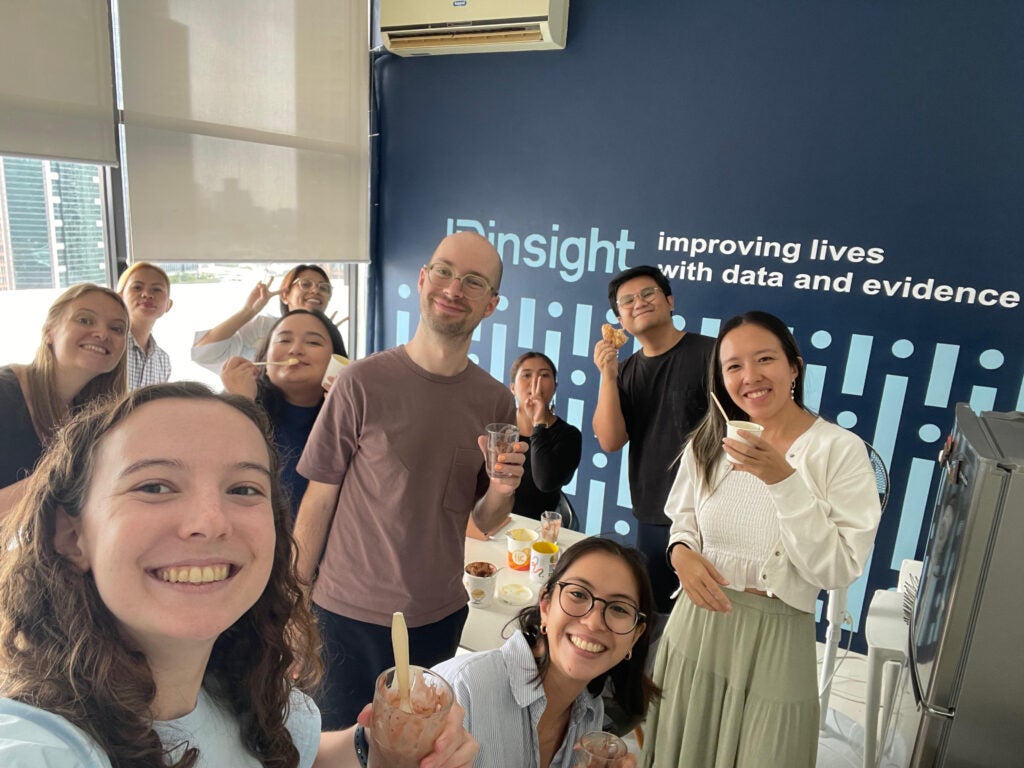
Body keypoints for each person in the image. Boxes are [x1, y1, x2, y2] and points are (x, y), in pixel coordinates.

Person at [0, 382, 478, 768]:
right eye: (155, 485)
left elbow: (297, 756)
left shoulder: (240, 686)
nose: (210, 521)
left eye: (244, 488)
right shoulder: (41, 746)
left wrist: (375, 747)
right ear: (71, 536)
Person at [294, 231, 526, 730]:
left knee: (416, 748)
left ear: (490, 304)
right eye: (443, 271)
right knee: (336, 750)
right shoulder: (362, 383)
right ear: (422, 280)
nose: (453, 287)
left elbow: (482, 519)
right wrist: (291, 603)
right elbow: (318, 499)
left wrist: (503, 490)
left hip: (438, 615)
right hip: (344, 614)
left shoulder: (494, 402)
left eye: (473, 281)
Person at [640, 311, 882, 768]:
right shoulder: (710, 440)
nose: (749, 376)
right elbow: (683, 519)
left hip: (776, 632)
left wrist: (784, 480)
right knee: (679, 750)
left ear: (795, 367)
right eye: (733, 366)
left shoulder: (839, 450)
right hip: (696, 622)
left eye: (765, 359)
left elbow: (836, 569)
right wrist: (681, 555)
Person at [434, 538, 658, 768]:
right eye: (579, 594)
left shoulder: (590, 714)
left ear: (636, 635)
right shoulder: (461, 691)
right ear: (546, 605)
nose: (593, 622)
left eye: (619, 608)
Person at [592, 265, 715, 614]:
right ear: (620, 319)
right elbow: (611, 440)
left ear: (670, 301)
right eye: (626, 301)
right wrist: (607, 377)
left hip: (708, 514)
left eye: (648, 294)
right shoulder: (626, 370)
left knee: (706, 615)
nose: (639, 303)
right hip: (653, 514)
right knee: (657, 616)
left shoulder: (712, 355)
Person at [0, 283, 128, 515]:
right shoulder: (4, 393)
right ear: (49, 332)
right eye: (85, 320)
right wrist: (59, 475)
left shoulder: (91, 414)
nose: (102, 334)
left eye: (117, 329)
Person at [221, 309, 347, 517]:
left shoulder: (348, 418)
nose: (295, 349)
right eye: (284, 340)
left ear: (336, 362)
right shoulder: (240, 407)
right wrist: (241, 404)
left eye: (313, 343)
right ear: (264, 362)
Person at [192, 264, 345, 375]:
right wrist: (248, 311)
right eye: (305, 284)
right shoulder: (262, 327)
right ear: (285, 295)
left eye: (323, 288)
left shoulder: (329, 337)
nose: (315, 290)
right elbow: (203, 354)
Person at [508, 351, 582, 521]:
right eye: (527, 375)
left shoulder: (569, 435)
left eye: (544, 375)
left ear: (555, 387)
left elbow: (545, 482)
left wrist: (538, 423)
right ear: (513, 388)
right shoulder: (499, 428)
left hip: (537, 532)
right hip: (490, 525)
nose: (535, 382)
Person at [117, 261, 174, 390]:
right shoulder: (110, 345)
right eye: (137, 287)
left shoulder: (163, 361)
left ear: (168, 305)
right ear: (120, 298)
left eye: (156, 289)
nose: (147, 294)